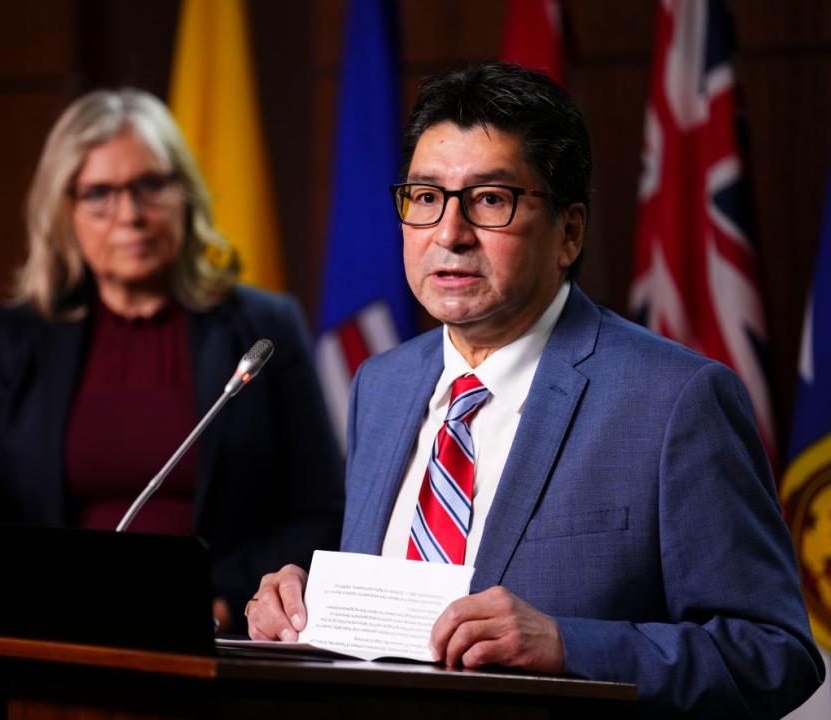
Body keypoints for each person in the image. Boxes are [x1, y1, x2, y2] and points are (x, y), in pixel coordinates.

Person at [244, 63, 824, 717]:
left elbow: (774, 655)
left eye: (490, 199)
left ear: (569, 233)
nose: (449, 233)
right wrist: (309, 611)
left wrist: (569, 645)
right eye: (426, 197)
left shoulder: (676, 400)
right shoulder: (381, 384)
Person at [0, 88, 344, 631]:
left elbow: (319, 513)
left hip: (217, 634)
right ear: (64, 210)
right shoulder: (16, 338)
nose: (129, 215)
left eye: (150, 186)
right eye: (99, 193)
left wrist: (227, 599)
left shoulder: (265, 328)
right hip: (57, 630)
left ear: (186, 195)